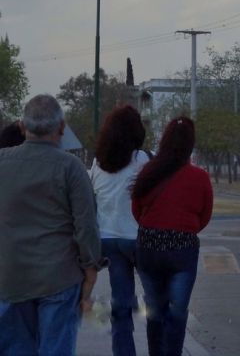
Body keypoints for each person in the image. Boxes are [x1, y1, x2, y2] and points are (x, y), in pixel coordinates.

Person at [0, 94, 103, 355]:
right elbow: (87, 226)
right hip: (58, 279)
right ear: (61, 127)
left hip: (9, 278)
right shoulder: (72, 168)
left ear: (22, 127)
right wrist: (90, 272)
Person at [131, 116, 213, 356]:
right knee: (177, 312)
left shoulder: (148, 172)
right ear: (190, 144)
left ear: (165, 141)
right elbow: (204, 216)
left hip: (148, 248)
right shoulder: (200, 177)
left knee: (155, 310)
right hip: (182, 251)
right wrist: (183, 228)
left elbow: (137, 210)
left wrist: (156, 228)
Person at [90, 104, 150, 356]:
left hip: (107, 239)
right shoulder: (142, 159)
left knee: (120, 306)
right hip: (136, 237)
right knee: (156, 298)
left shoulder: (97, 163)